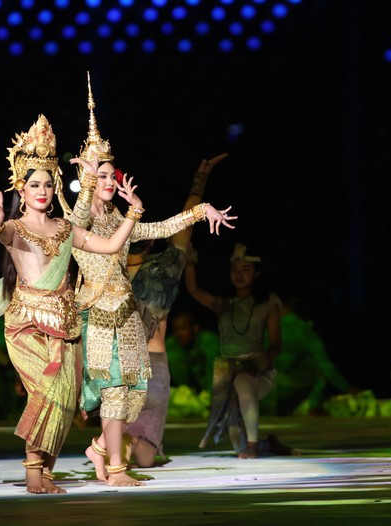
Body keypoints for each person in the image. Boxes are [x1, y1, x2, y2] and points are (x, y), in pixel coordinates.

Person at [69, 75, 236, 485]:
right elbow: (79, 215)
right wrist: (88, 181)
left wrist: (201, 211)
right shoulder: (79, 221)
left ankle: (101, 453)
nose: (108, 182)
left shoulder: (121, 220)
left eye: (111, 175)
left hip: (127, 317)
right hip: (98, 319)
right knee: (112, 393)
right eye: (100, 176)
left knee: (132, 395)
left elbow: (161, 228)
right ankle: (116, 470)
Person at [0, 114, 144, 494]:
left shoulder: (64, 228)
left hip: (65, 324)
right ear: (20, 190)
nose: (41, 191)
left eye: (47, 184)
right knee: (47, 393)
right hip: (26, 325)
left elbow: (109, 246)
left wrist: (135, 211)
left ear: (55, 185)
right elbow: (3, 233)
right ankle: (32, 471)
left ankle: (46, 474)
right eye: (33, 185)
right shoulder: (17, 229)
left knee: (66, 399)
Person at [124, 153, 228, 468]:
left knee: (128, 444)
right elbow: (186, 226)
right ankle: (123, 452)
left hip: (119, 362)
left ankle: (114, 452)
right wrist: (200, 182)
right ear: (149, 242)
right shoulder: (165, 269)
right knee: (144, 456)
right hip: (153, 365)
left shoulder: (107, 271)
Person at [188, 243, 295, 459]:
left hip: (257, 371)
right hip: (226, 373)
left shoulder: (267, 305)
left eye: (246, 269)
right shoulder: (224, 304)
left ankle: (254, 447)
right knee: (239, 445)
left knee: (244, 382)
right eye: (234, 269)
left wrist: (258, 364)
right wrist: (189, 260)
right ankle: (268, 444)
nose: (238, 274)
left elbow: (276, 345)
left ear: (256, 274)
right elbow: (193, 290)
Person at [272, 299, 353, 416]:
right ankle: (314, 406)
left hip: (266, 388)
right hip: (288, 387)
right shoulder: (303, 330)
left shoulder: (269, 327)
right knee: (318, 365)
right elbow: (327, 368)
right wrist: (347, 388)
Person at [164, 311, 219, 392]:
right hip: (194, 393)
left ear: (195, 328)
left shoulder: (209, 342)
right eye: (175, 329)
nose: (178, 334)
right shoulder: (175, 343)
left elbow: (215, 375)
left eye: (183, 328)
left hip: (215, 392)